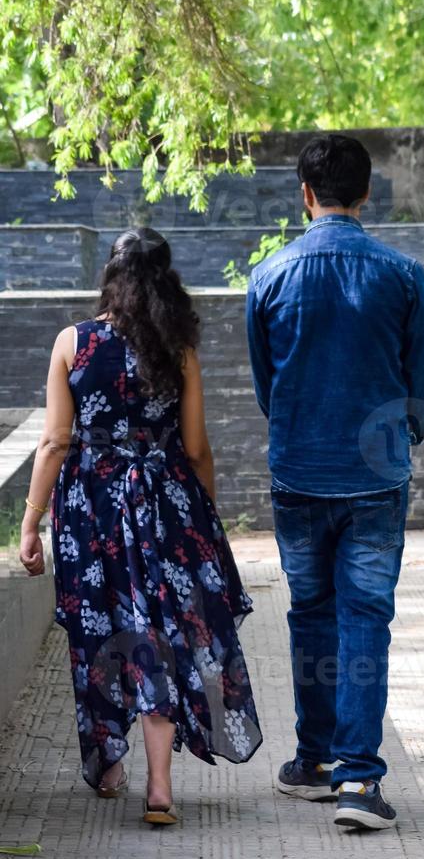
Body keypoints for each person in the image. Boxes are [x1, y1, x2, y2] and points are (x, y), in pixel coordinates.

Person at [19, 227, 262, 825]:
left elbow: (54, 441)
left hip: (91, 510)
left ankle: (107, 765)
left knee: (97, 627)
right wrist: (202, 515)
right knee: (159, 632)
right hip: (166, 503)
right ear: (167, 282)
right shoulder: (178, 350)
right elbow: (198, 448)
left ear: (110, 275)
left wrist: (29, 522)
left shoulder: (72, 343)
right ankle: (159, 787)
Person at [246, 133, 424, 830]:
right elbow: (423, 388)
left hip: (298, 472)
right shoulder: (404, 274)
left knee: (310, 614)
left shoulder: (268, 277)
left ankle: (315, 760)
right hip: (376, 478)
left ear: (305, 195)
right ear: (366, 194)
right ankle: (359, 782)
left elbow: (269, 390)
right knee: (365, 618)